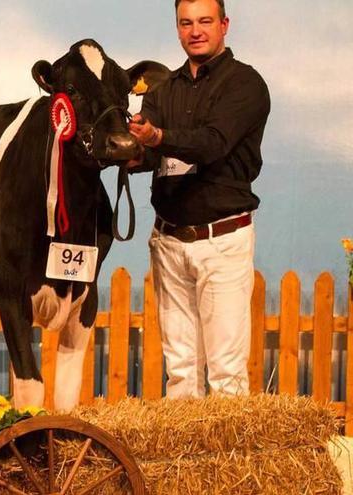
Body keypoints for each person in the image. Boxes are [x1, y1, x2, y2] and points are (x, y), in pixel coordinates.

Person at [127, 0, 270, 398]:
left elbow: (213, 144)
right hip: (169, 239)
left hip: (222, 239)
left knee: (226, 373)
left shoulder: (245, 84)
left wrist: (157, 137)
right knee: (180, 373)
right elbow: (152, 155)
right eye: (186, 22)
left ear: (224, 24)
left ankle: (227, 463)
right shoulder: (162, 89)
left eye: (205, 21)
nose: (195, 31)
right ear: (177, 29)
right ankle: (181, 462)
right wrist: (131, 152)